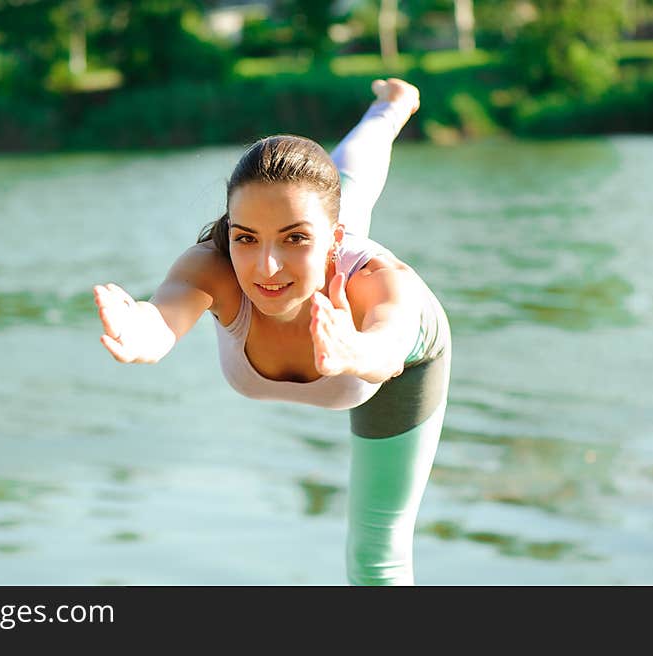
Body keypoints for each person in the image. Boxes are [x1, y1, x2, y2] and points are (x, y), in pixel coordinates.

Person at [93, 79, 451, 585]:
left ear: (334, 241)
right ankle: (388, 108)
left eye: (294, 239)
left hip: (402, 357)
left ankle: (389, 112)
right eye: (246, 237)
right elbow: (163, 315)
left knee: (378, 553)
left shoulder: (376, 280)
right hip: (342, 306)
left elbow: (389, 345)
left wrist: (356, 349)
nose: (266, 267)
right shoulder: (214, 268)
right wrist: (142, 331)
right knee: (346, 183)